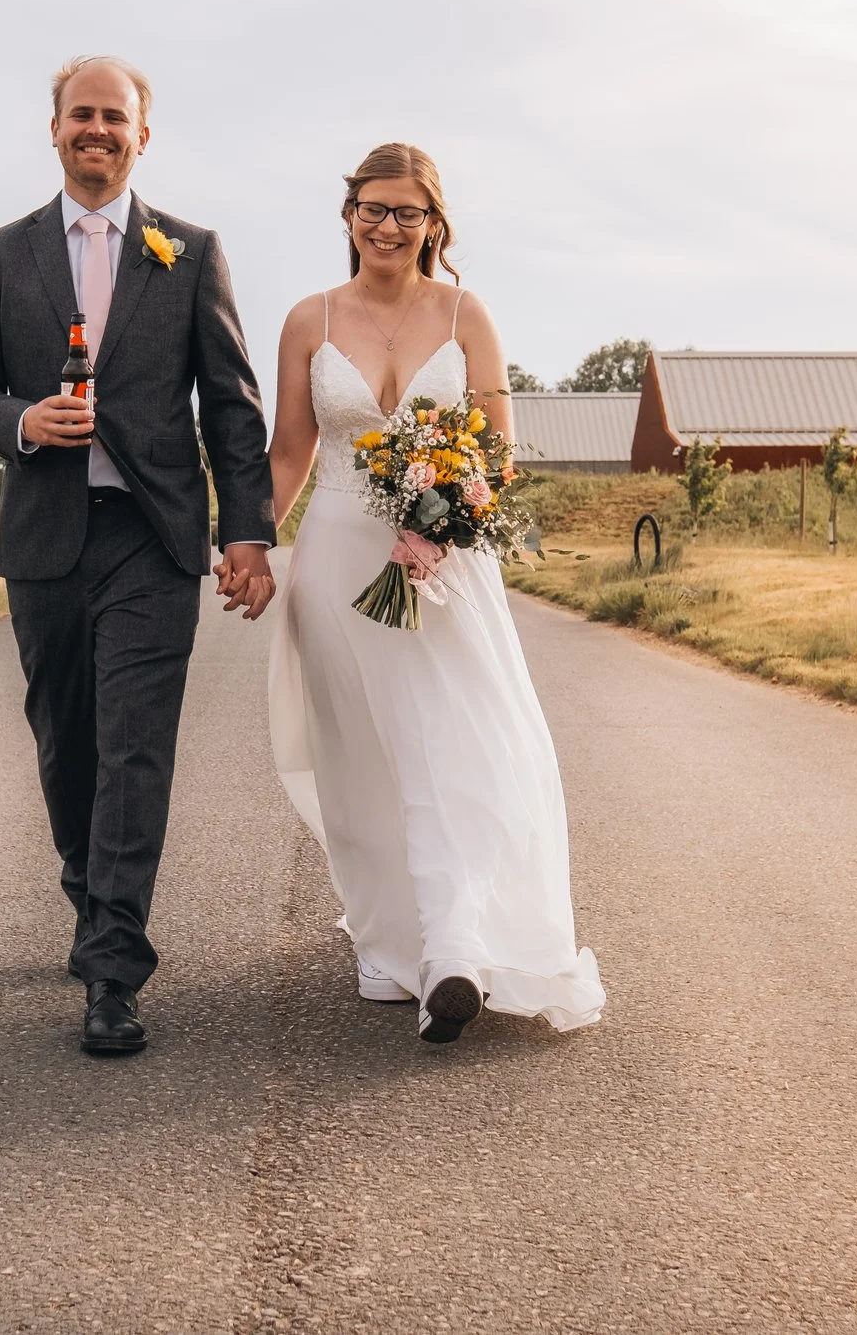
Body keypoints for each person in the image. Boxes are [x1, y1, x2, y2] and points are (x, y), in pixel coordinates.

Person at [0, 56, 278, 1057]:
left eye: (115, 117)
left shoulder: (189, 251)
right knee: (67, 739)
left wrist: (246, 530)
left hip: (151, 536)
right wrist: (21, 419)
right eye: (80, 115)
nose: (97, 130)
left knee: (135, 744)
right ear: (53, 129)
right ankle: (93, 896)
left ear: (142, 135)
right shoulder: (5, 253)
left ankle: (113, 966)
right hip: (46, 536)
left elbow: (230, 404)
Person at [264, 143, 605, 1043]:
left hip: (446, 563)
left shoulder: (466, 314)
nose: (388, 225)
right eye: (373, 209)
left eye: (408, 213)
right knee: (364, 755)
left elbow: (498, 448)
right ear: (348, 216)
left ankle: (457, 948)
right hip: (336, 558)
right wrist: (250, 545)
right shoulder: (310, 319)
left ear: (433, 225)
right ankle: (391, 941)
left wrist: (447, 515)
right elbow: (291, 451)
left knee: (456, 741)